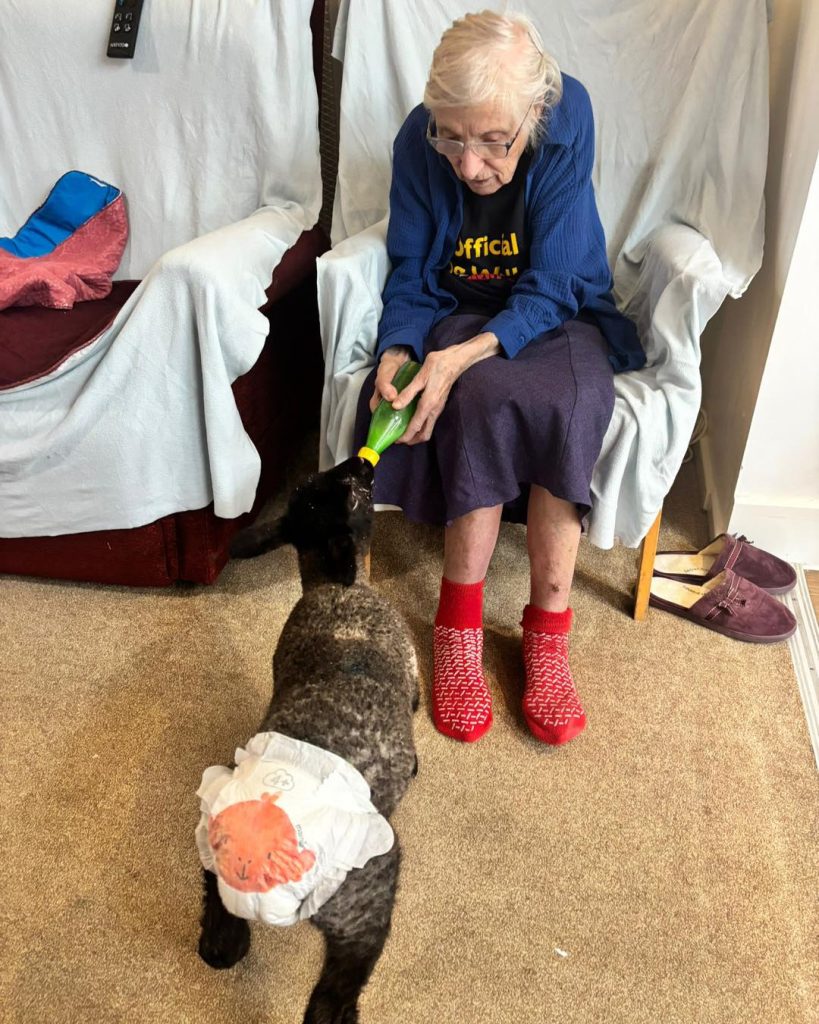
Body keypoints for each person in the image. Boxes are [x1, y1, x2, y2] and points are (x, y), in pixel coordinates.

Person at [353, 10, 645, 746]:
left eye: (491, 140)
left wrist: (459, 357)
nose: (468, 165)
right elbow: (411, 272)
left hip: (558, 313)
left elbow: (556, 281)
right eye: (450, 137)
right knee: (479, 398)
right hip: (462, 307)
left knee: (566, 406)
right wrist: (398, 351)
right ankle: (457, 628)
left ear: (533, 112)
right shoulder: (417, 140)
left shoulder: (567, 115)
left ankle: (547, 634)